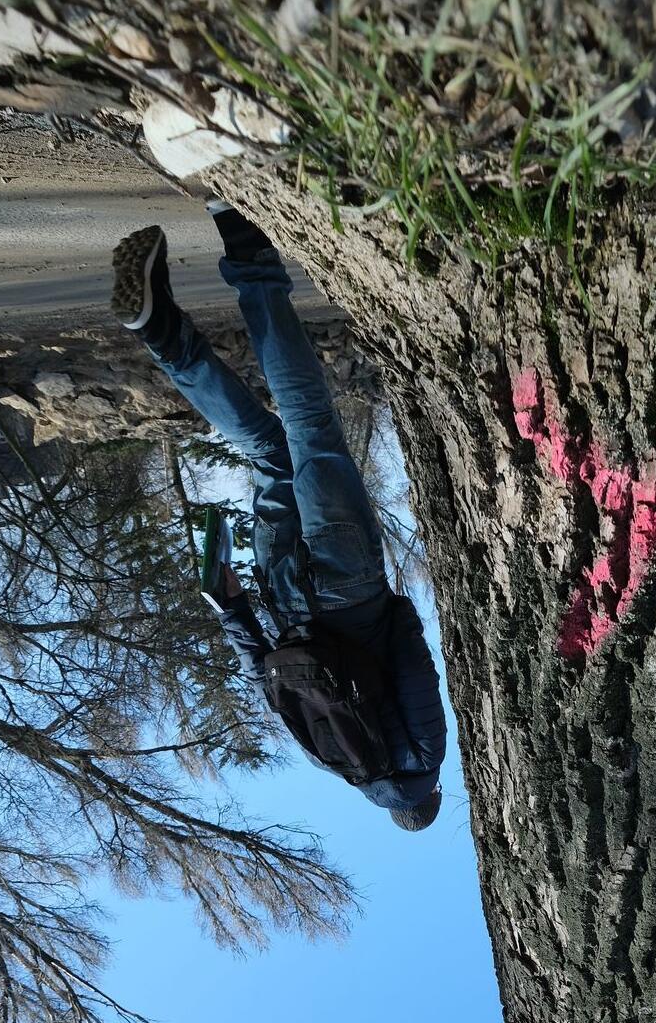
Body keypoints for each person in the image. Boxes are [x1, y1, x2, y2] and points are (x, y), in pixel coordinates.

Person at [110, 206, 446, 832]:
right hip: (284, 595)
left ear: (430, 799)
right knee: (267, 449)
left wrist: (395, 613)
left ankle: (247, 246)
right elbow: (271, 683)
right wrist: (233, 610)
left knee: (308, 425)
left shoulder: (425, 759)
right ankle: (162, 332)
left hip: (352, 585)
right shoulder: (336, 763)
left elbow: (411, 665)